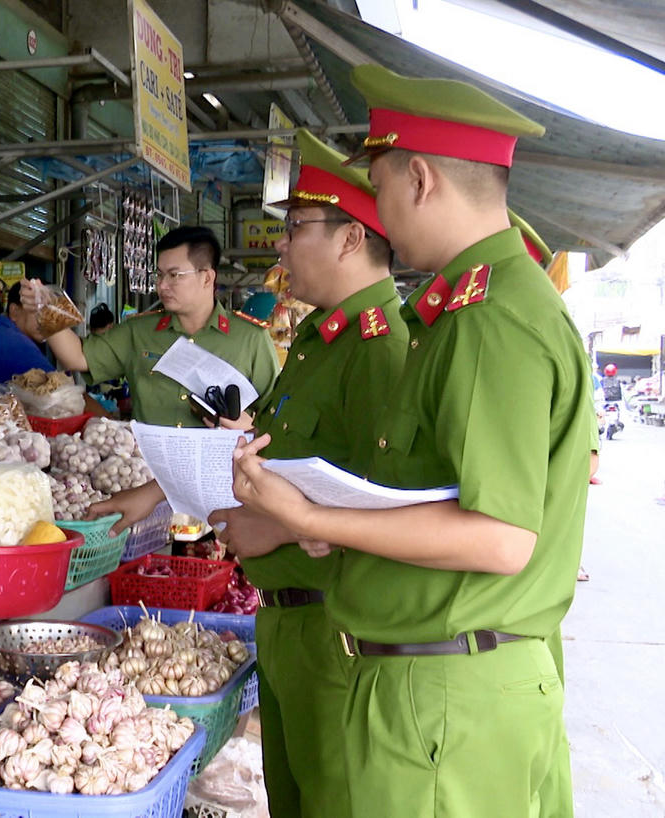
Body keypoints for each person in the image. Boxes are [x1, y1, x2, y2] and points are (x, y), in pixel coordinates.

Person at [227, 64, 588, 817]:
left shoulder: (490, 321)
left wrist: (312, 520)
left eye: (383, 185)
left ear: (419, 178)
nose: (384, 213)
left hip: (450, 695)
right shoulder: (469, 311)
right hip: (436, 685)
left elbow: (500, 538)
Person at [209, 128, 407, 818]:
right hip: (287, 626)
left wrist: (280, 530)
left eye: (296, 227)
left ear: (352, 238)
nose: (282, 246)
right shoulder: (320, 341)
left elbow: (394, 510)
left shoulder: (381, 348)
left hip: (335, 633)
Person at [21, 225, 279, 427]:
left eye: (174, 275)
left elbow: (275, 416)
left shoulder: (251, 339)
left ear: (207, 277)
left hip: (222, 480)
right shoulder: (139, 332)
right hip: (150, 478)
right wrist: (44, 307)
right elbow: (76, 357)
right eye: (159, 274)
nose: (162, 285)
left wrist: (251, 426)